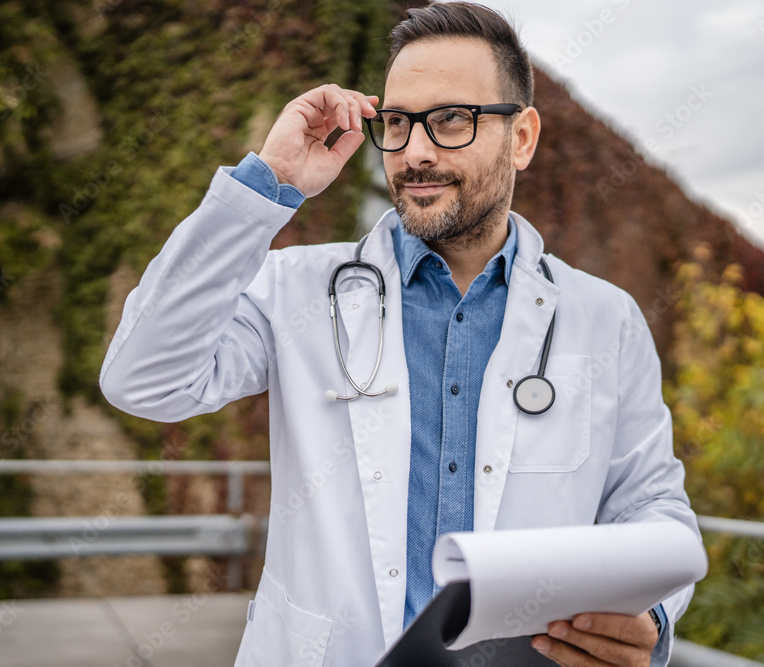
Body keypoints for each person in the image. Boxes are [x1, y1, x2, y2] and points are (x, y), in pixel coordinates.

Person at [100, 3, 700, 665]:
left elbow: (651, 505)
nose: (414, 152)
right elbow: (143, 378)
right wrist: (267, 185)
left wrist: (651, 617)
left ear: (522, 138)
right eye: (396, 123)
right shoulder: (298, 291)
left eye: (451, 120)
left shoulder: (606, 319)